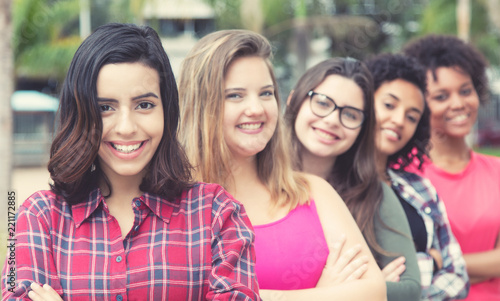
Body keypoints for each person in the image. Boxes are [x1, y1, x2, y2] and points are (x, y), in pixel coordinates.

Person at [1, 23, 260, 300]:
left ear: (167, 109)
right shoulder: (36, 217)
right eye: (105, 108)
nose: (126, 127)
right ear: (80, 114)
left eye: (144, 105)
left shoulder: (217, 214)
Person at [178, 29, 386, 300]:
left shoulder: (313, 191)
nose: (256, 109)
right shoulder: (173, 204)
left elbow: (374, 292)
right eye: (235, 95)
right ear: (201, 104)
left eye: (266, 93)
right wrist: (322, 294)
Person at [284, 57, 421, 301]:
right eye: (323, 103)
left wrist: (343, 288)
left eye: (351, 114)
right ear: (294, 99)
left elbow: (409, 290)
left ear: (362, 127)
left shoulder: (372, 193)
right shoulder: (255, 178)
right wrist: (362, 286)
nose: (332, 120)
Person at [403, 34, 500, 300]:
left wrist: (437, 265)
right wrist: (487, 266)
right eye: (441, 96)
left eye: (465, 91)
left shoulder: (498, 172)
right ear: (419, 104)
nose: (458, 104)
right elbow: (404, 268)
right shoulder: (402, 177)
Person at [366, 53, 469, 300]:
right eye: (389, 105)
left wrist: (412, 291)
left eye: (412, 116)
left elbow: (458, 275)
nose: (399, 120)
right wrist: (428, 262)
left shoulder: (419, 188)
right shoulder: (332, 187)